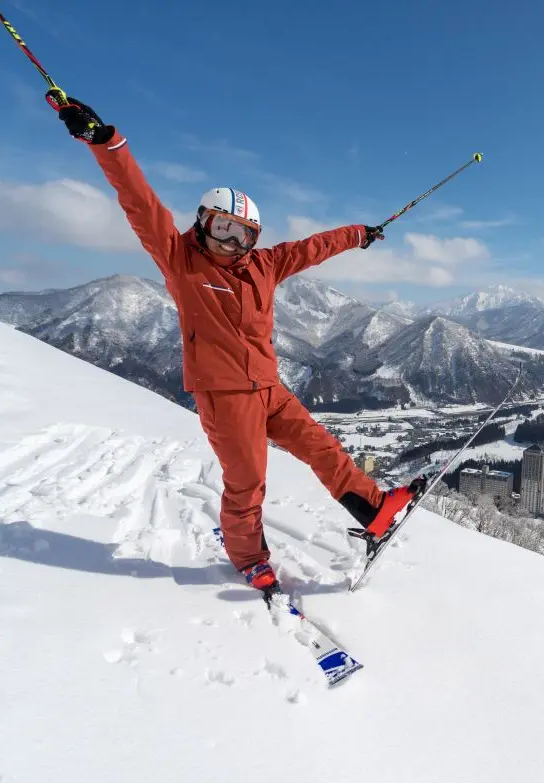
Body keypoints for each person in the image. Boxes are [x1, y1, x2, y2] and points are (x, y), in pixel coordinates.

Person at [55, 97, 423, 598]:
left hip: (268, 385)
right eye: (223, 230)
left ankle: (373, 508)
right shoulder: (181, 261)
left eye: (243, 234)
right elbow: (139, 202)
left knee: (322, 449)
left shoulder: (264, 266)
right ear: (203, 222)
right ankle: (249, 558)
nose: (232, 243)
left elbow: (311, 247)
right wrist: (105, 141)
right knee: (247, 482)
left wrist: (359, 235)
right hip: (225, 394)